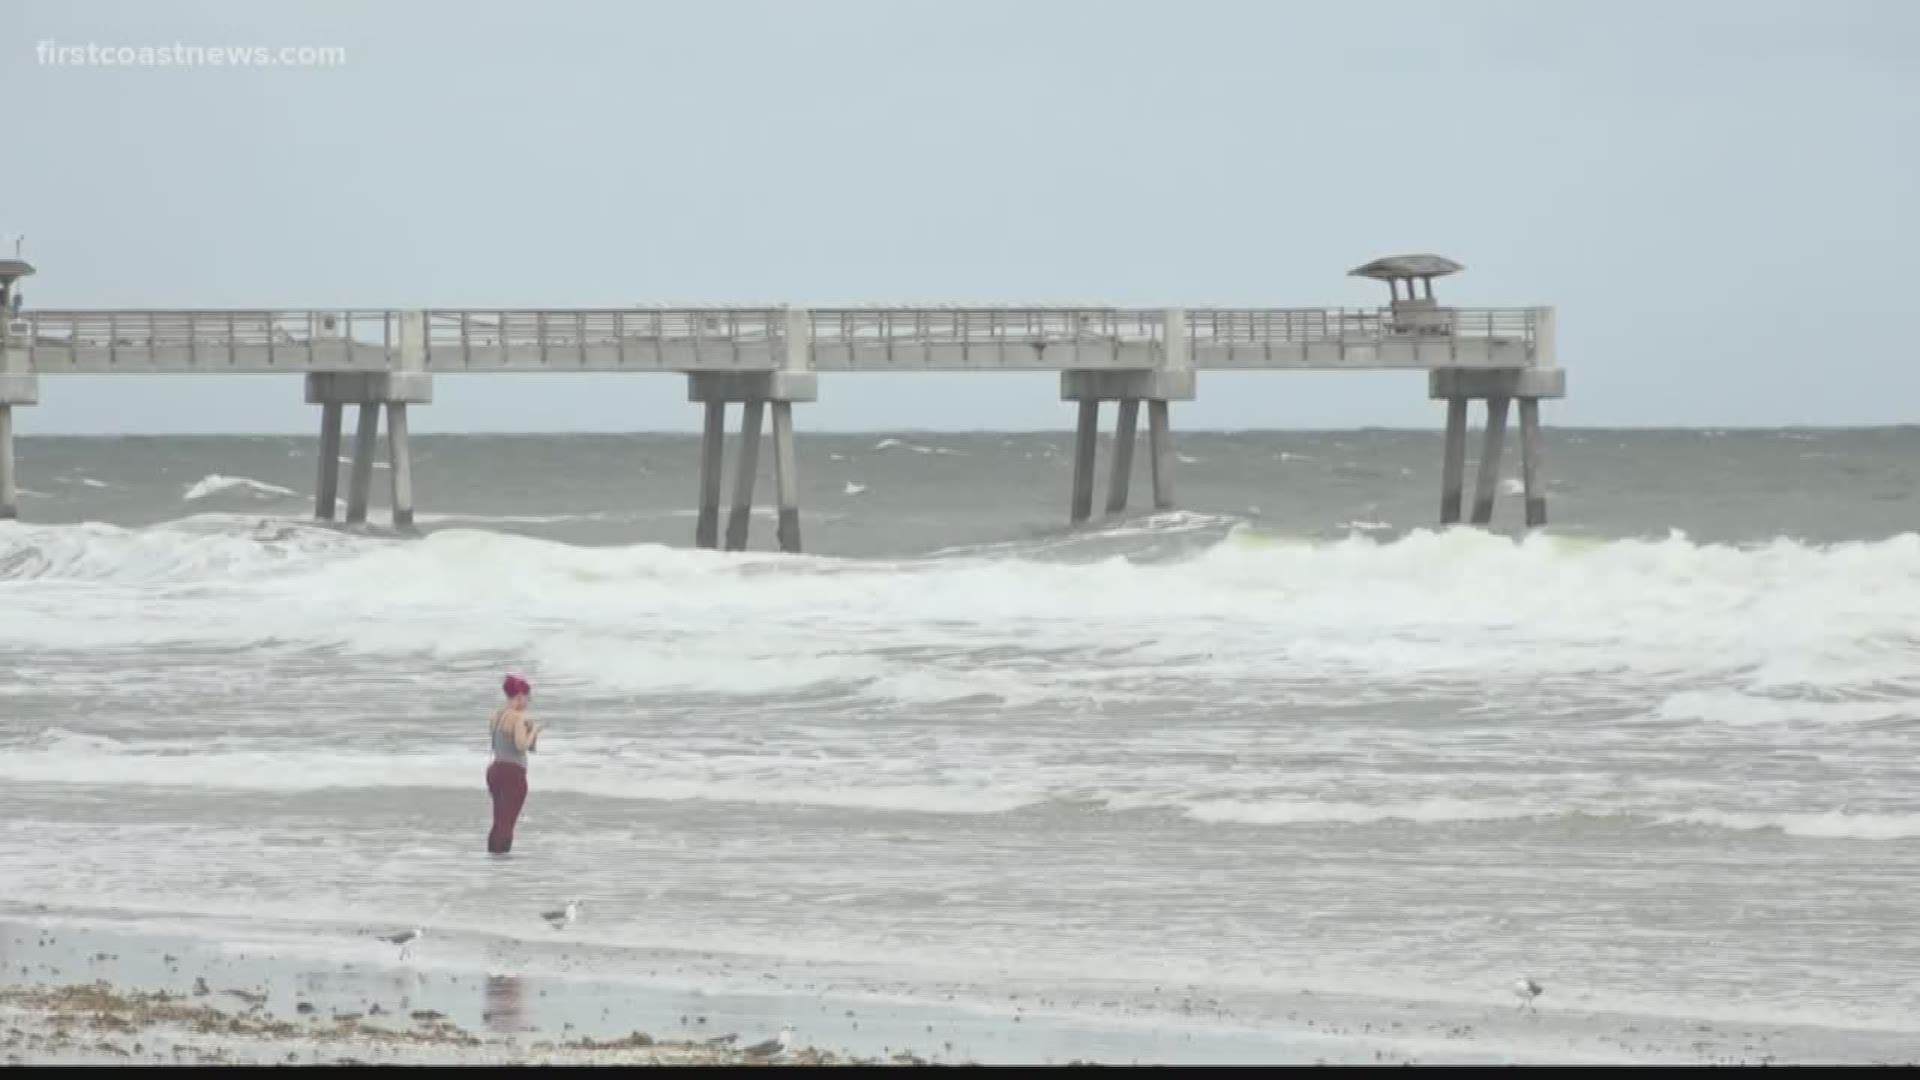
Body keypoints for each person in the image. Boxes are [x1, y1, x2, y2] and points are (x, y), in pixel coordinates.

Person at [486, 674, 540, 854]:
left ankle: (494, 858)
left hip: (495, 770)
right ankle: (501, 862)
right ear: (519, 696)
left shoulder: (496, 716)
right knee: (508, 822)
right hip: (513, 773)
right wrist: (534, 730)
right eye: (527, 698)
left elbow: (499, 744)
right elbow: (522, 745)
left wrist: (531, 733)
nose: (528, 702)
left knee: (499, 820)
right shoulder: (517, 717)